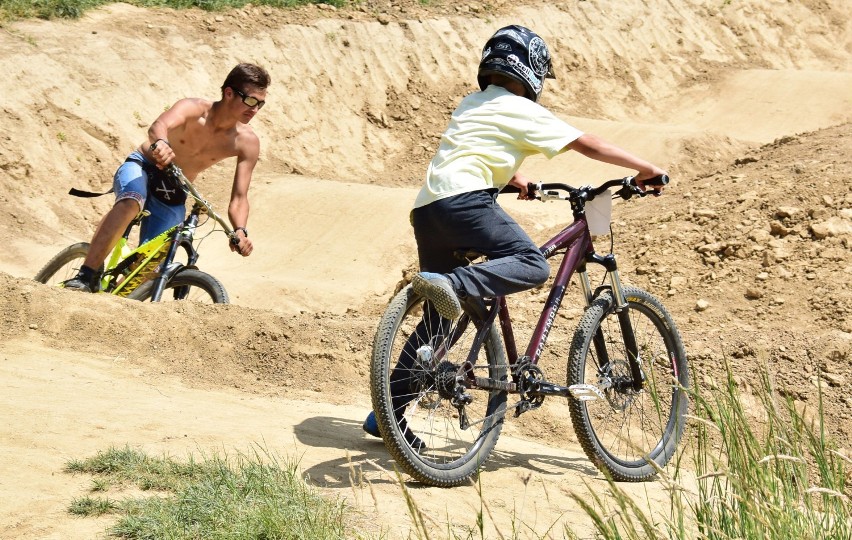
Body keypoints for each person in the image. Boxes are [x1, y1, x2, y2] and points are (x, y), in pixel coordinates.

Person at [362, 25, 668, 445]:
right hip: (467, 204)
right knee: (532, 263)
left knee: (440, 318)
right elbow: (589, 144)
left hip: (429, 210)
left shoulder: (472, 104)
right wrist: (646, 169)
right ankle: (454, 282)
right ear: (532, 71)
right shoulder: (523, 109)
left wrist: (513, 177)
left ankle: (388, 413)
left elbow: (472, 152)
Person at [63, 62, 271, 292]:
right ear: (229, 93)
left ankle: (116, 297)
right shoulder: (192, 109)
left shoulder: (247, 141)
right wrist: (161, 143)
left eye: (261, 104)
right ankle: (85, 276)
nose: (255, 109)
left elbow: (240, 197)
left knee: (154, 261)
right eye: (251, 100)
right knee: (132, 201)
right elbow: (158, 126)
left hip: (174, 189)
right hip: (144, 166)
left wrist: (240, 230)